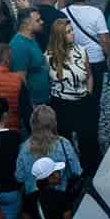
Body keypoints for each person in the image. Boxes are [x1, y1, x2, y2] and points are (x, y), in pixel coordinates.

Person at [41, 18, 96, 160]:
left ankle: (90, 167)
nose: (72, 34)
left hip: (82, 102)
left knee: (88, 138)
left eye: (72, 31)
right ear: (60, 36)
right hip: (61, 104)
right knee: (64, 140)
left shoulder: (81, 52)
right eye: (68, 32)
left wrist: (88, 93)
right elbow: (46, 81)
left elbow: (89, 76)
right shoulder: (48, 57)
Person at [62, 0, 110, 113]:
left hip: (74, 60)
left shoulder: (63, 13)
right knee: (95, 96)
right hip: (95, 59)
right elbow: (104, 39)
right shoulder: (96, 12)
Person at [9, 7, 51, 106]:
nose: (42, 22)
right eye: (37, 20)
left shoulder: (32, 38)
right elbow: (20, 80)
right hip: (34, 104)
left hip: (43, 100)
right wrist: (30, 106)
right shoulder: (18, 45)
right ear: (26, 24)